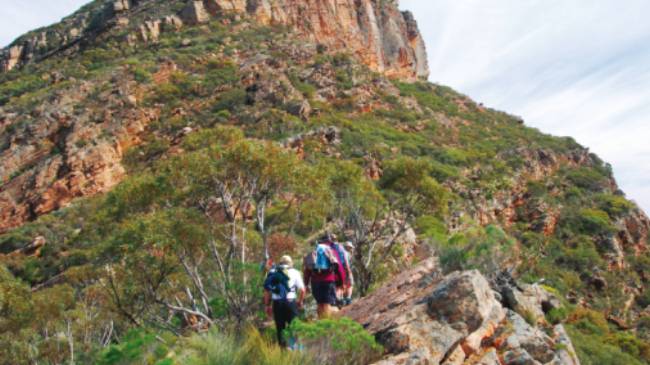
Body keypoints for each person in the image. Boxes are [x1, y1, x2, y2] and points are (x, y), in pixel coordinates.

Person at [263, 255, 305, 347]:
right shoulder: (295, 272)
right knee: (293, 327)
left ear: (280, 263)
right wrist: (300, 301)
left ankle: (283, 352)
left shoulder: (272, 272)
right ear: (290, 263)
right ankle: (294, 349)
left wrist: (267, 305)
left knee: (280, 328)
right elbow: (302, 290)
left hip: (277, 303)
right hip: (290, 302)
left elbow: (267, 290)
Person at [303, 234, 346, 318]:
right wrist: (341, 282)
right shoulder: (330, 251)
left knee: (320, 303)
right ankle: (329, 323)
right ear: (328, 242)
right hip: (328, 280)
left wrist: (306, 283)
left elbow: (307, 270)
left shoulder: (313, 252)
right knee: (328, 303)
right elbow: (339, 268)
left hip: (315, 282)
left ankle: (321, 322)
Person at [342, 241, 355, 306]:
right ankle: (348, 299)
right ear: (348, 247)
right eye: (350, 248)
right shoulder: (346, 253)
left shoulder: (341, 253)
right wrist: (349, 271)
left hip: (340, 271)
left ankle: (344, 299)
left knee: (344, 284)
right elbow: (347, 263)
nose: (351, 249)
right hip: (346, 270)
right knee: (351, 283)